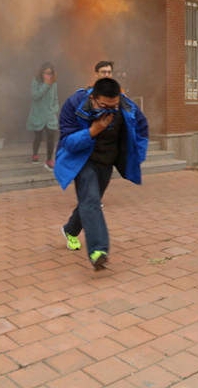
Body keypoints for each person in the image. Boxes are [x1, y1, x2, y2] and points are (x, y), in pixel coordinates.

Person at [54, 76, 149, 270]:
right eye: (105, 106)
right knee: (91, 201)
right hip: (83, 161)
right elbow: (68, 142)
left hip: (107, 162)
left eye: (114, 106)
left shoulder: (127, 107)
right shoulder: (74, 105)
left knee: (90, 201)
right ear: (93, 99)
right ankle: (99, 251)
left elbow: (142, 130)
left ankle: (70, 229)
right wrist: (93, 131)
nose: (110, 110)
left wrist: (136, 157)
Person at [26, 62, 59, 169]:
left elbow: (55, 99)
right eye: (46, 73)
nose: (48, 76)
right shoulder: (35, 81)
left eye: (50, 73)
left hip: (50, 115)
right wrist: (45, 85)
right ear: (41, 73)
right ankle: (35, 154)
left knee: (51, 137)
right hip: (38, 114)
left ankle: (49, 160)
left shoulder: (54, 83)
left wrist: (54, 109)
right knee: (38, 136)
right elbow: (36, 96)